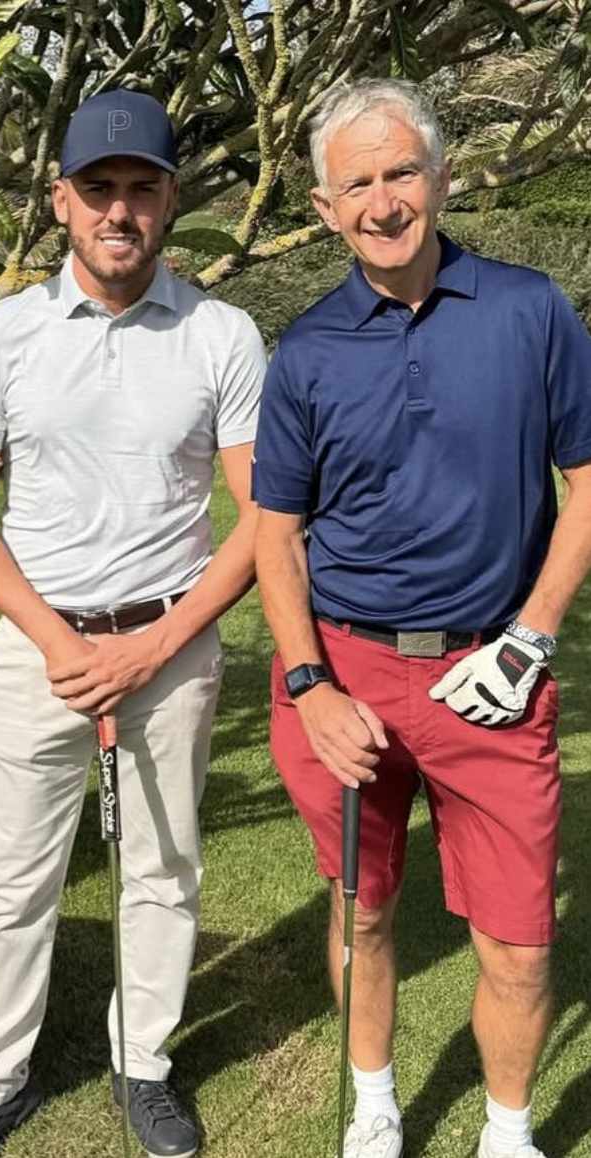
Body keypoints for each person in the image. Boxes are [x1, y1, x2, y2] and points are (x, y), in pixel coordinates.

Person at [254, 78, 591, 1158]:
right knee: (358, 912)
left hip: (492, 674)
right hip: (343, 677)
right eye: (357, 182)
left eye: (401, 171)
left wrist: (531, 637)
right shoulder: (305, 351)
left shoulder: (531, 311)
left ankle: (505, 1133)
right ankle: (373, 1104)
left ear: (441, 179)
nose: (383, 199)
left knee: (519, 943)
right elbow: (274, 536)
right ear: (323, 206)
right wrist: (308, 689)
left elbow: (586, 481)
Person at [0, 89, 266, 1158]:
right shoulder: (3, 335)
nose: (118, 210)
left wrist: (152, 646)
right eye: (98, 189)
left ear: (170, 200)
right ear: (61, 202)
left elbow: (263, 515)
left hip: (169, 646)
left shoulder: (222, 333)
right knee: (21, 877)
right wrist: (61, 642)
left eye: (140, 188)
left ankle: (145, 1065)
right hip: (39, 648)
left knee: (161, 869)